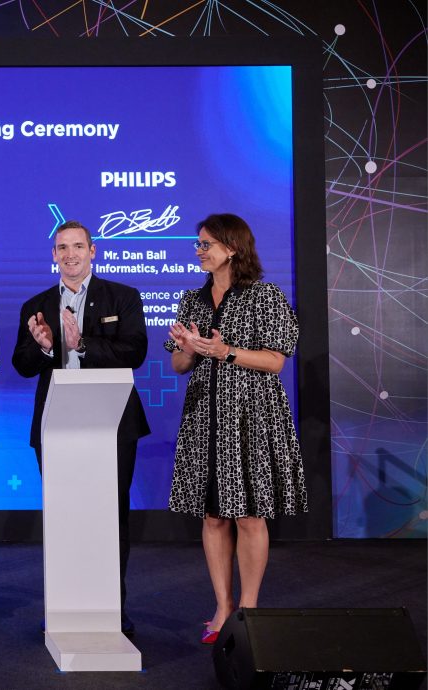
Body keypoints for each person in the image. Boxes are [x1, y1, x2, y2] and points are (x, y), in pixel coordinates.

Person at [165, 213, 308, 645]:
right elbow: (178, 364)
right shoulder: (192, 299)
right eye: (198, 244)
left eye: (206, 244)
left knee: (248, 516)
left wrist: (226, 352)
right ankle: (222, 606)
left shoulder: (264, 297)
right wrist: (190, 350)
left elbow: (276, 360)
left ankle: (249, 608)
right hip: (204, 418)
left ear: (232, 247)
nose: (199, 251)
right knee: (212, 517)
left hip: (251, 418)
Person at [11, 219, 150, 637]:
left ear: (93, 251)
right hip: (56, 426)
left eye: (77, 246)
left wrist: (82, 345)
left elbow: (136, 352)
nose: (70, 254)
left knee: (111, 515)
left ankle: (112, 606)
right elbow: (20, 365)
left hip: (113, 425)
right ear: (53, 255)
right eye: (61, 247)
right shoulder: (36, 305)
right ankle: (66, 605)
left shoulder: (123, 297)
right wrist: (45, 346)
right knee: (64, 515)